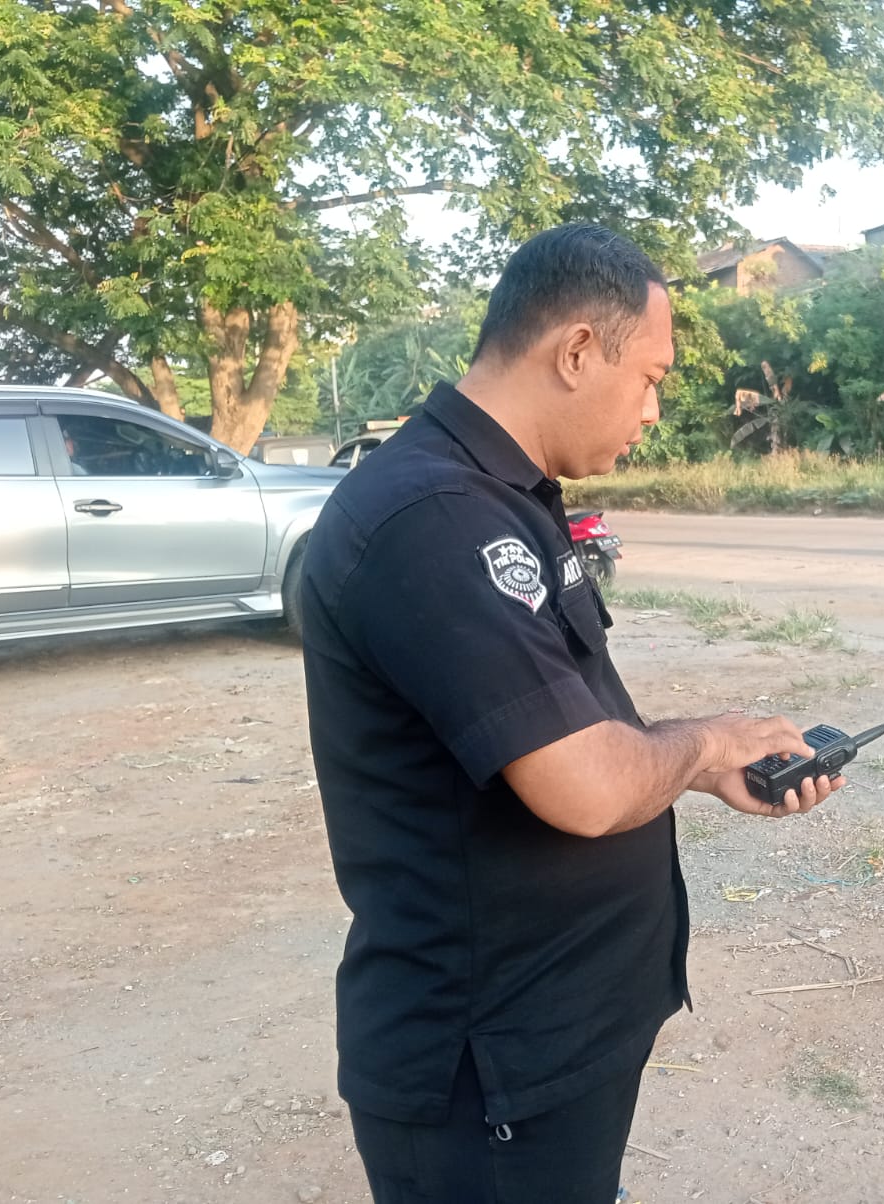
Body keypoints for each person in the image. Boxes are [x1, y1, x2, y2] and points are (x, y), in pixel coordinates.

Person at [300, 223, 843, 1204]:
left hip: (549, 1036)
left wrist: (703, 765)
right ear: (579, 351)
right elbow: (585, 788)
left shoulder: (502, 496)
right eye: (650, 377)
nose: (654, 409)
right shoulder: (432, 519)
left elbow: (555, 723)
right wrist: (705, 742)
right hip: (488, 1065)